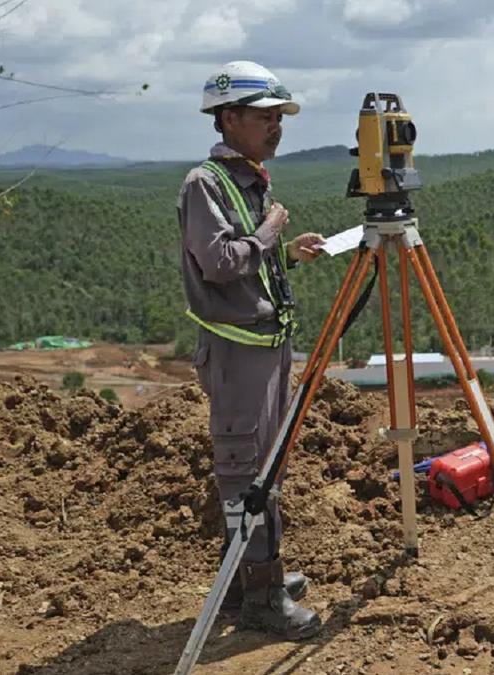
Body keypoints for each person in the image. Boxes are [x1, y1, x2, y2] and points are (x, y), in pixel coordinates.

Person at [178, 60, 325, 640]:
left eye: (279, 117)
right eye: (265, 117)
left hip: (266, 348)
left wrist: (287, 254)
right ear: (229, 118)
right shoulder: (205, 184)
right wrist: (269, 234)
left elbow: (247, 269)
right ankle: (260, 598)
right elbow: (217, 264)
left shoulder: (250, 180)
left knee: (266, 468)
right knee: (245, 472)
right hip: (238, 354)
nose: (276, 127)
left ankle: (247, 581)